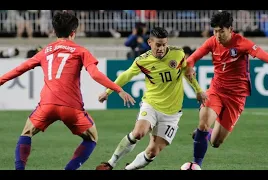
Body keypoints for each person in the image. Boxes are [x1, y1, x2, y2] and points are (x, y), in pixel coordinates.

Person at [0, 11, 135, 170]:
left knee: (27, 132)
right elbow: (95, 74)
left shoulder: (45, 51)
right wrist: (118, 89)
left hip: (47, 104)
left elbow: (19, 69)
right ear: (73, 32)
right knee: (91, 138)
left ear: (54, 31)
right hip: (71, 107)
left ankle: (19, 168)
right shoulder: (80, 51)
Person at [184, 11, 268, 168]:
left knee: (216, 142)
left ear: (230, 29)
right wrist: (189, 66)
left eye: (221, 31)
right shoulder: (212, 42)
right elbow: (192, 57)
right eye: (215, 31)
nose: (218, 35)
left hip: (236, 98)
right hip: (216, 91)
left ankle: (207, 135)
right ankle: (196, 164)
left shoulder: (242, 43)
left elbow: (266, 57)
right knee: (204, 123)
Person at [95, 27, 207, 170]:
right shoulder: (142, 61)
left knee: (152, 151)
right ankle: (111, 163)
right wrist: (108, 91)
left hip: (172, 112)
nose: (161, 48)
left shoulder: (178, 54)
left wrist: (198, 90)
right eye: (158, 45)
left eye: (164, 44)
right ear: (150, 42)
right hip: (151, 104)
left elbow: (187, 72)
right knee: (138, 133)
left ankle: (129, 168)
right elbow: (126, 75)